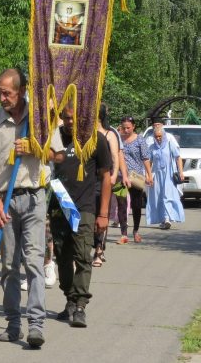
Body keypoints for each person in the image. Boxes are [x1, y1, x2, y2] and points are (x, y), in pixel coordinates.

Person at [0, 68, 64, 347]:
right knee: (10, 265)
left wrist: (35, 148)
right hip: (5, 200)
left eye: (7, 93)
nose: (2, 98)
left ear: (22, 90)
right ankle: (13, 323)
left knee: (34, 262)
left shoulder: (40, 119)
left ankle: (36, 324)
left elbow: (58, 154)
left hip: (34, 197)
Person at [49, 104, 112, 328]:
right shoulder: (54, 138)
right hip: (59, 206)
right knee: (62, 258)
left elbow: (106, 177)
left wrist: (103, 214)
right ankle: (69, 298)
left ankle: (80, 306)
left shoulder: (96, 140)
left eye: (73, 118)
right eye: (66, 118)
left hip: (84, 207)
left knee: (83, 256)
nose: (69, 122)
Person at [93, 103, 126, 265]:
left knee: (102, 213)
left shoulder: (109, 134)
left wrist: (113, 176)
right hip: (88, 180)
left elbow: (115, 156)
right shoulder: (86, 134)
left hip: (103, 180)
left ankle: (99, 249)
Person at [119, 116, 152, 242]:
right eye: (123, 128)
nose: (126, 130)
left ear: (133, 127)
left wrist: (149, 175)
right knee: (121, 204)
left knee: (136, 204)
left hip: (136, 176)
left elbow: (145, 158)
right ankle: (124, 233)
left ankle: (136, 230)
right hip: (121, 176)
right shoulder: (119, 139)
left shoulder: (139, 140)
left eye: (128, 127)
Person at [146, 121, 184, 229]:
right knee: (158, 197)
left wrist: (181, 172)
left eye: (160, 136)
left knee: (168, 195)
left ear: (163, 135)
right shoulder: (152, 147)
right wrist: (148, 176)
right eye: (156, 136)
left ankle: (167, 219)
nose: (158, 138)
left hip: (169, 175)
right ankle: (162, 219)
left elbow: (178, 157)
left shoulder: (169, 144)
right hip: (157, 175)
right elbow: (149, 162)